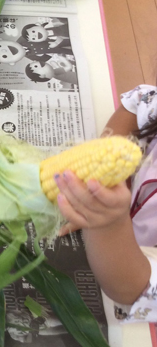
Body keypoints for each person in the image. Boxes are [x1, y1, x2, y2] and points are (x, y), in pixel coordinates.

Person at [55, 84, 157, 323]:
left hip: (132, 268)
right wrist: (108, 170)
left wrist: (107, 225)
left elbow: (133, 289)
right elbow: (136, 105)